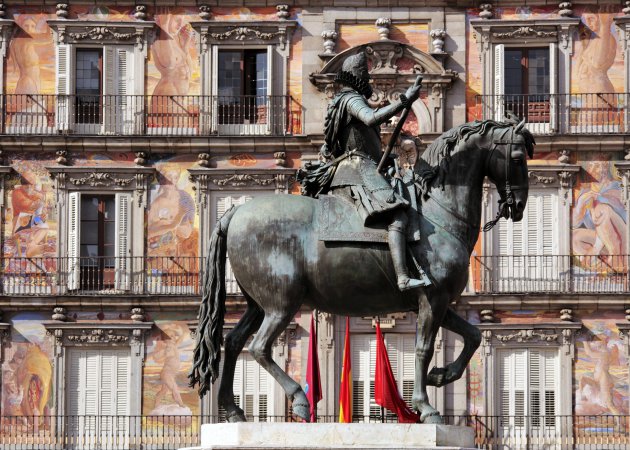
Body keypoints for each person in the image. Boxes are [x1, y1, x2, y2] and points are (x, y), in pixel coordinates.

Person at [320, 51, 430, 291]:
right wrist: (403, 101)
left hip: (355, 165)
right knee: (398, 215)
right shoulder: (351, 99)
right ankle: (402, 276)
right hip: (357, 169)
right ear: (358, 77)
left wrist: (385, 157)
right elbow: (370, 118)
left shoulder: (340, 102)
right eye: (366, 76)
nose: (369, 81)